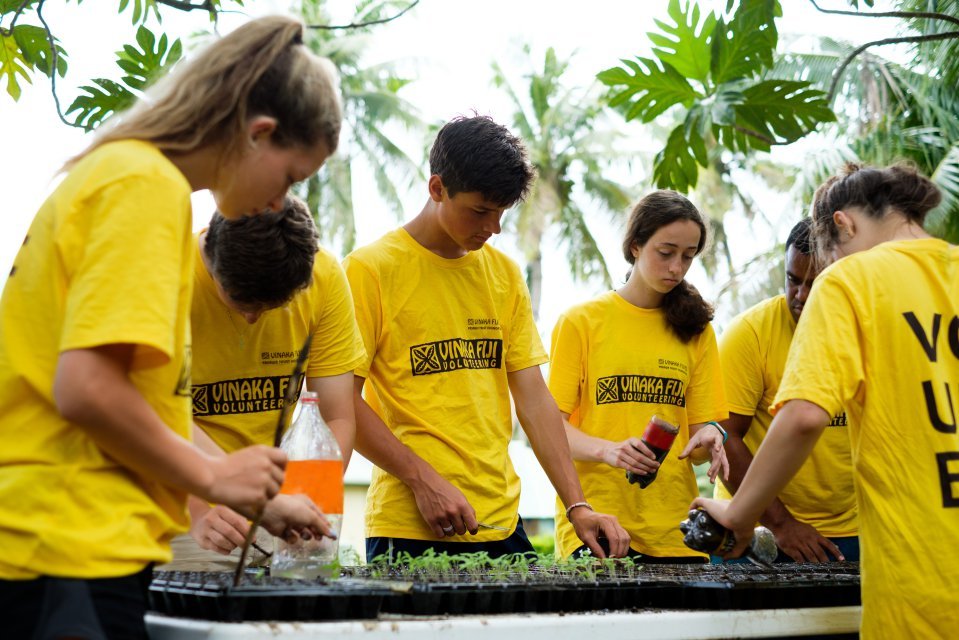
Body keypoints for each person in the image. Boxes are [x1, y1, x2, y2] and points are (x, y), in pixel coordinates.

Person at [0, 16, 341, 639]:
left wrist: (260, 502)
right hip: (71, 540)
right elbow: (85, 388)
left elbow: (138, 396)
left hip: (68, 542)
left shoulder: (120, 174)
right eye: (290, 177)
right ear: (259, 132)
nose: (280, 201)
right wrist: (214, 477)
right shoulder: (146, 186)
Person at [343, 115, 629, 562]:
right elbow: (339, 400)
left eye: (501, 213)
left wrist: (578, 506)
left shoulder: (503, 274)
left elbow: (534, 400)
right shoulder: (371, 269)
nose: (493, 227)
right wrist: (421, 479)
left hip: (500, 520)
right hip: (412, 524)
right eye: (480, 211)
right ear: (437, 189)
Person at [692, 163, 958, 639]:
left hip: (921, 583)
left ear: (843, 225)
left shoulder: (852, 279)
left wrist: (739, 514)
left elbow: (803, 417)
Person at [547, 190, 729, 562]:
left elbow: (694, 451)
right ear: (634, 247)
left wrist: (711, 435)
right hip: (597, 528)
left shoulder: (697, 330)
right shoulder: (581, 323)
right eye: (666, 253)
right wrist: (608, 451)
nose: (676, 267)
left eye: (688, 257)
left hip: (675, 533)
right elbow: (550, 431)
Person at [183, 195, 365, 559]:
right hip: (179, 506)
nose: (253, 320)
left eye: (271, 307)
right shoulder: (169, 275)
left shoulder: (324, 277)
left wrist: (313, 502)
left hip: (273, 505)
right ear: (212, 262)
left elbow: (338, 416)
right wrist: (198, 508)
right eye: (240, 302)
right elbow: (154, 411)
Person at [713, 218, 858, 563]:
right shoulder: (750, 334)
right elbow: (724, 436)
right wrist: (782, 524)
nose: (801, 295)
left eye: (816, 283)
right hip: (755, 527)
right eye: (793, 280)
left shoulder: (867, 330)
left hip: (851, 529)